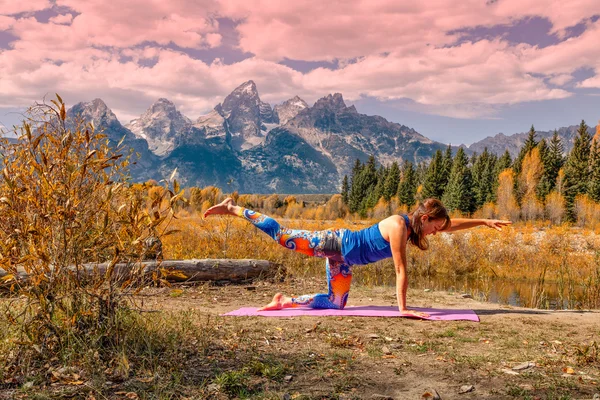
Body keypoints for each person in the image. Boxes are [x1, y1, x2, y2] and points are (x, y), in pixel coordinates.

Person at [204, 197, 511, 318]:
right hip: (333, 241)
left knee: (335, 303)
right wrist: (403, 309)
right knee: (284, 237)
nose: (436, 233)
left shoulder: (415, 227)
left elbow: (450, 225)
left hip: (344, 260)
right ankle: (233, 207)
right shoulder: (397, 226)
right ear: (426, 217)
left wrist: (483, 221)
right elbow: (400, 270)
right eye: (435, 227)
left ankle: (285, 300)